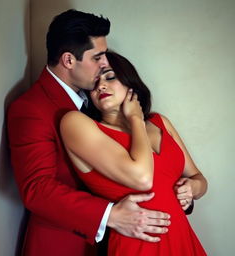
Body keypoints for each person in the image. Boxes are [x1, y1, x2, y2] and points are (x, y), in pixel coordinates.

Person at [7, 10, 171, 256]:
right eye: (98, 57)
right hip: (61, 245)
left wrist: (187, 188)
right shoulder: (30, 108)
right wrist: (110, 215)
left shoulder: (98, 98)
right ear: (68, 60)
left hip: (115, 244)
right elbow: (37, 190)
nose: (105, 63)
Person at [60, 51, 208, 255]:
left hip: (182, 238)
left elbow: (198, 178)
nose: (101, 86)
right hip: (137, 245)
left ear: (130, 82)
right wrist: (135, 119)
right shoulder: (81, 125)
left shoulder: (160, 122)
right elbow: (143, 179)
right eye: (94, 83)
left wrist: (193, 187)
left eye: (110, 77)